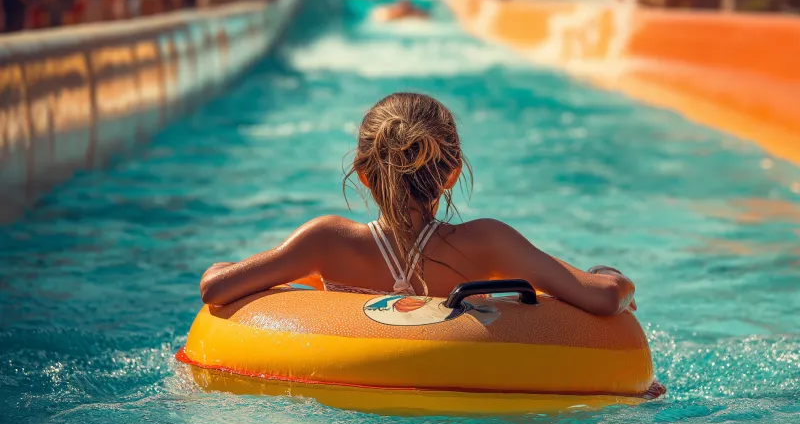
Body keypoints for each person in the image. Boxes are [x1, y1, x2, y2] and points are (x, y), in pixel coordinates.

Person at [200, 92, 637, 316]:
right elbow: (600, 300)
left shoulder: (326, 244)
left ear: (365, 174)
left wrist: (311, 277)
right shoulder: (486, 243)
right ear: (451, 174)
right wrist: (609, 274)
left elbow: (216, 287)